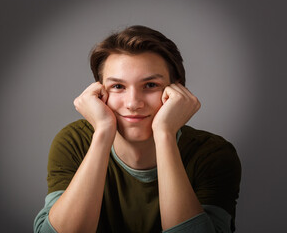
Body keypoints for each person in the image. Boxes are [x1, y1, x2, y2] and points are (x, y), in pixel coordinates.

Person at [34, 25, 241, 233]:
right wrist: (103, 133)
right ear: (99, 92)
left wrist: (165, 134)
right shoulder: (73, 142)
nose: (133, 103)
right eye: (117, 86)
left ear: (177, 91)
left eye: (150, 85)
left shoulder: (212, 154)